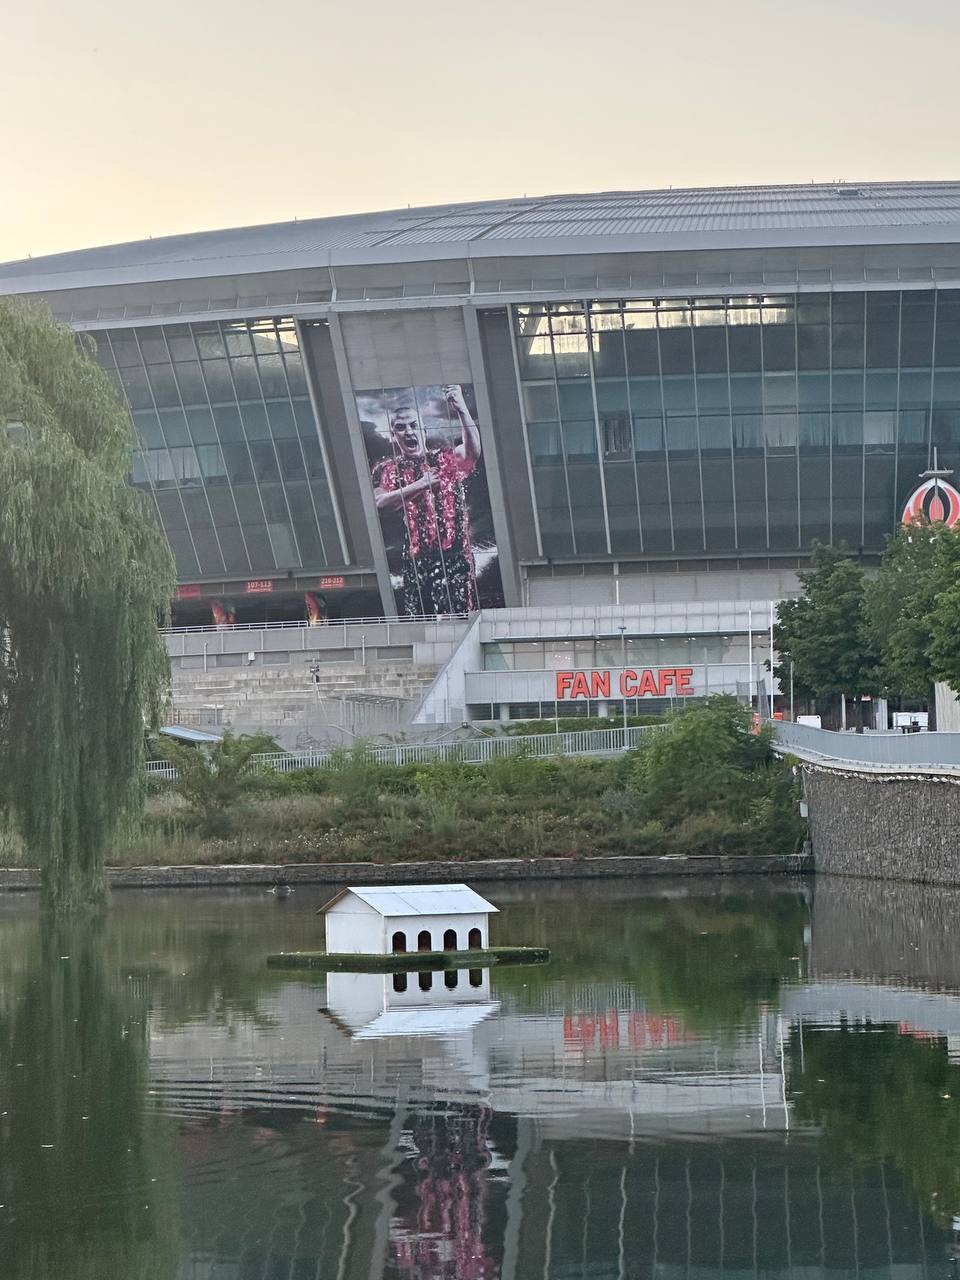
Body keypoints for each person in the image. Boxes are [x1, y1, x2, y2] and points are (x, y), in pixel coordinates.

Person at [372, 385, 482, 615]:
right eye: (400, 428)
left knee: (460, 615)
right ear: (394, 435)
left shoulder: (443, 459)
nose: (408, 431)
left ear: (422, 429)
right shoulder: (388, 469)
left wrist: (461, 408)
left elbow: (471, 452)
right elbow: (380, 503)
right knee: (420, 621)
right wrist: (420, 485)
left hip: (454, 554)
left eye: (413, 425)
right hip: (416, 559)